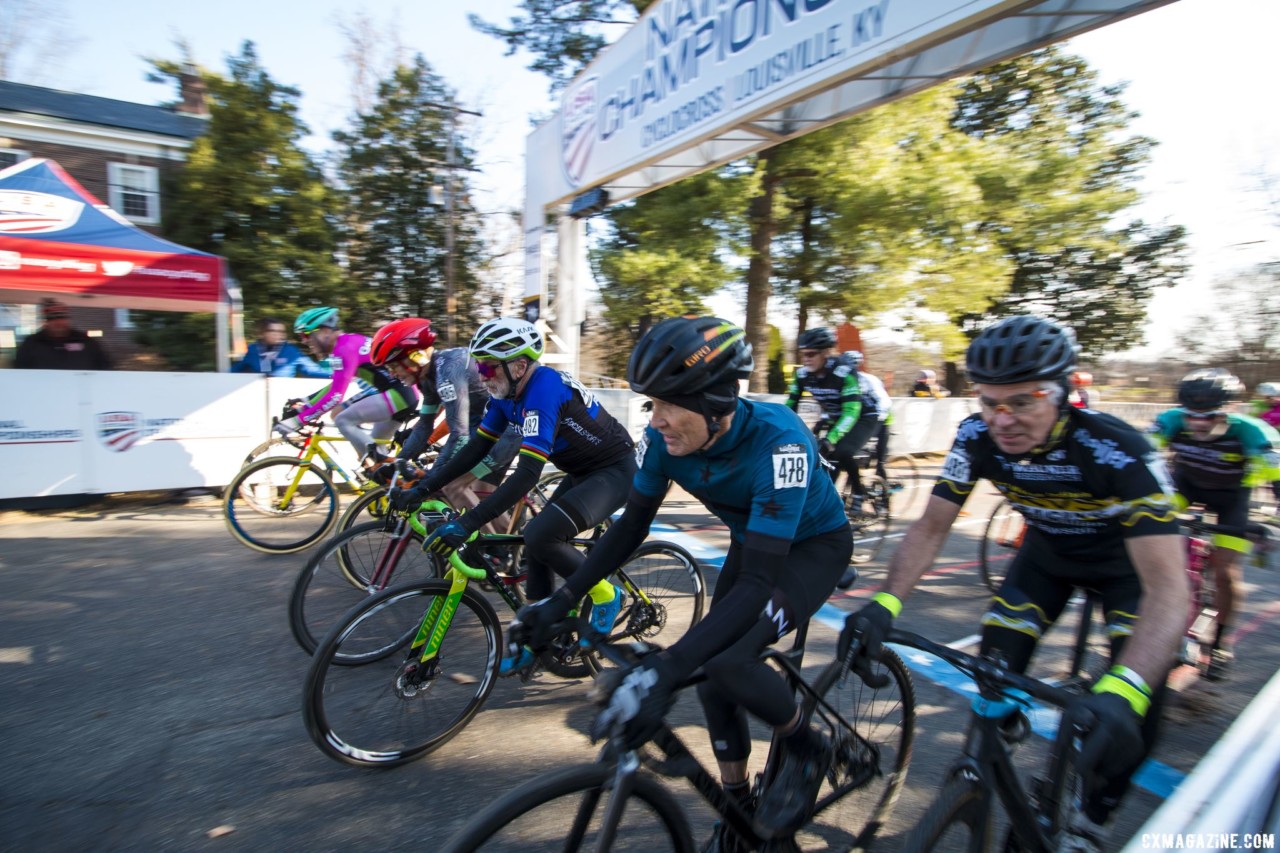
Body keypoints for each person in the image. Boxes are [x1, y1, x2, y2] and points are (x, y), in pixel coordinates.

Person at [839, 315, 1189, 852]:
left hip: (1128, 572)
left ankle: (1095, 818)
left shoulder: (1117, 450)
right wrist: (884, 603)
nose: (1002, 419)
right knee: (995, 673)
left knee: (1138, 706)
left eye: (1022, 402)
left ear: (1065, 392)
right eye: (988, 401)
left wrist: (1129, 687)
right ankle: (987, 757)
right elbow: (932, 526)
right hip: (1046, 559)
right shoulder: (976, 435)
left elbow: (1168, 587)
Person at [509, 316, 852, 850]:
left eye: (670, 403)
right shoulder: (664, 438)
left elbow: (760, 582)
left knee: (725, 658)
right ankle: (738, 805)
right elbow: (630, 526)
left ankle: (810, 746)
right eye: (652, 402)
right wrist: (563, 598)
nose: (658, 419)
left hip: (812, 549)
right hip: (754, 541)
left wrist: (666, 671)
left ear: (718, 403)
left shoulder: (780, 442)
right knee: (715, 675)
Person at [388, 317, 636, 673]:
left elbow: (526, 474)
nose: (482, 374)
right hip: (583, 471)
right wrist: (424, 486)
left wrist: (471, 520)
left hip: (615, 471)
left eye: (488, 366)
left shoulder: (544, 390)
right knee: (532, 540)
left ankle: (606, 594)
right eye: (478, 365)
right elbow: (475, 448)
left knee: (541, 535)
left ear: (520, 364)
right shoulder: (506, 394)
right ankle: (537, 635)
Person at [1146, 368, 1280, 678]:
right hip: (1185, 487)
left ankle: (1220, 642)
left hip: (1232, 499)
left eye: (1210, 416)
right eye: (1191, 416)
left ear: (1230, 409)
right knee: (1148, 545)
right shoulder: (1169, 421)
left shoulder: (1252, 432)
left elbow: (1276, 479)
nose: (1199, 423)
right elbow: (1139, 458)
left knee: (1225, 572)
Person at [368, 317, 520, 534]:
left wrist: (430, 481)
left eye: (393, 366)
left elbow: (459, 436)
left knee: (453, 486)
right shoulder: (428, 379)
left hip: (509, 428)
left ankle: (495, 552)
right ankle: (515, 549)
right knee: (479, 497)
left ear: (416, 356)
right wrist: (398, 461)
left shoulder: (448, 372)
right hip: (491, 427)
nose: (392, 374)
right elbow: (424, 427)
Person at [274, 307, 418, 460]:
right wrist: (305, 405)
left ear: (324, 330)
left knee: (342, 420)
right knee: (374, 453)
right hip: (403, 395)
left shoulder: (343, 349)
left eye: (306, 334)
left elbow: (335, 397)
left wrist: (296, 421)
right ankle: (401, 479)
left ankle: (381, 465)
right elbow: (335, 387)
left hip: (398, 395)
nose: (304, 340)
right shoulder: (346, 343)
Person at [785, 328, 882, 514]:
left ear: (826, 353)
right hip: (837, 417)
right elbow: (790, 405)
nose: (805, 359)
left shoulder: (843, 373)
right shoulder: (803, 375)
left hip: (863, 416)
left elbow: (851, 412)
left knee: (842, 451)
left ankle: (859, 491)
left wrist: (831, 439)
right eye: (802, 354)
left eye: (811, 354)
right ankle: (827, 499)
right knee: (822, 459)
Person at [14, 298, 113, 370]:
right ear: (46, 322)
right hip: (42, 393)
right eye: (52, 319)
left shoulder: (86, 342)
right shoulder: (32, 343)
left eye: (62, 318)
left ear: (68, 320)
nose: (58, 322)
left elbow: (105, 366)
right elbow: (19, 369)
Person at [231, 317, 332, 377]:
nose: (279, 335)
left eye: (282, 332)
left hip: (282, 394)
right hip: (257, 395)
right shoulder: (253, 350)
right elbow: (234, 371)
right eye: (274, 331)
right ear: (262, 333)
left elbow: (312, 370)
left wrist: (336, 377)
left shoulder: (291, 351)